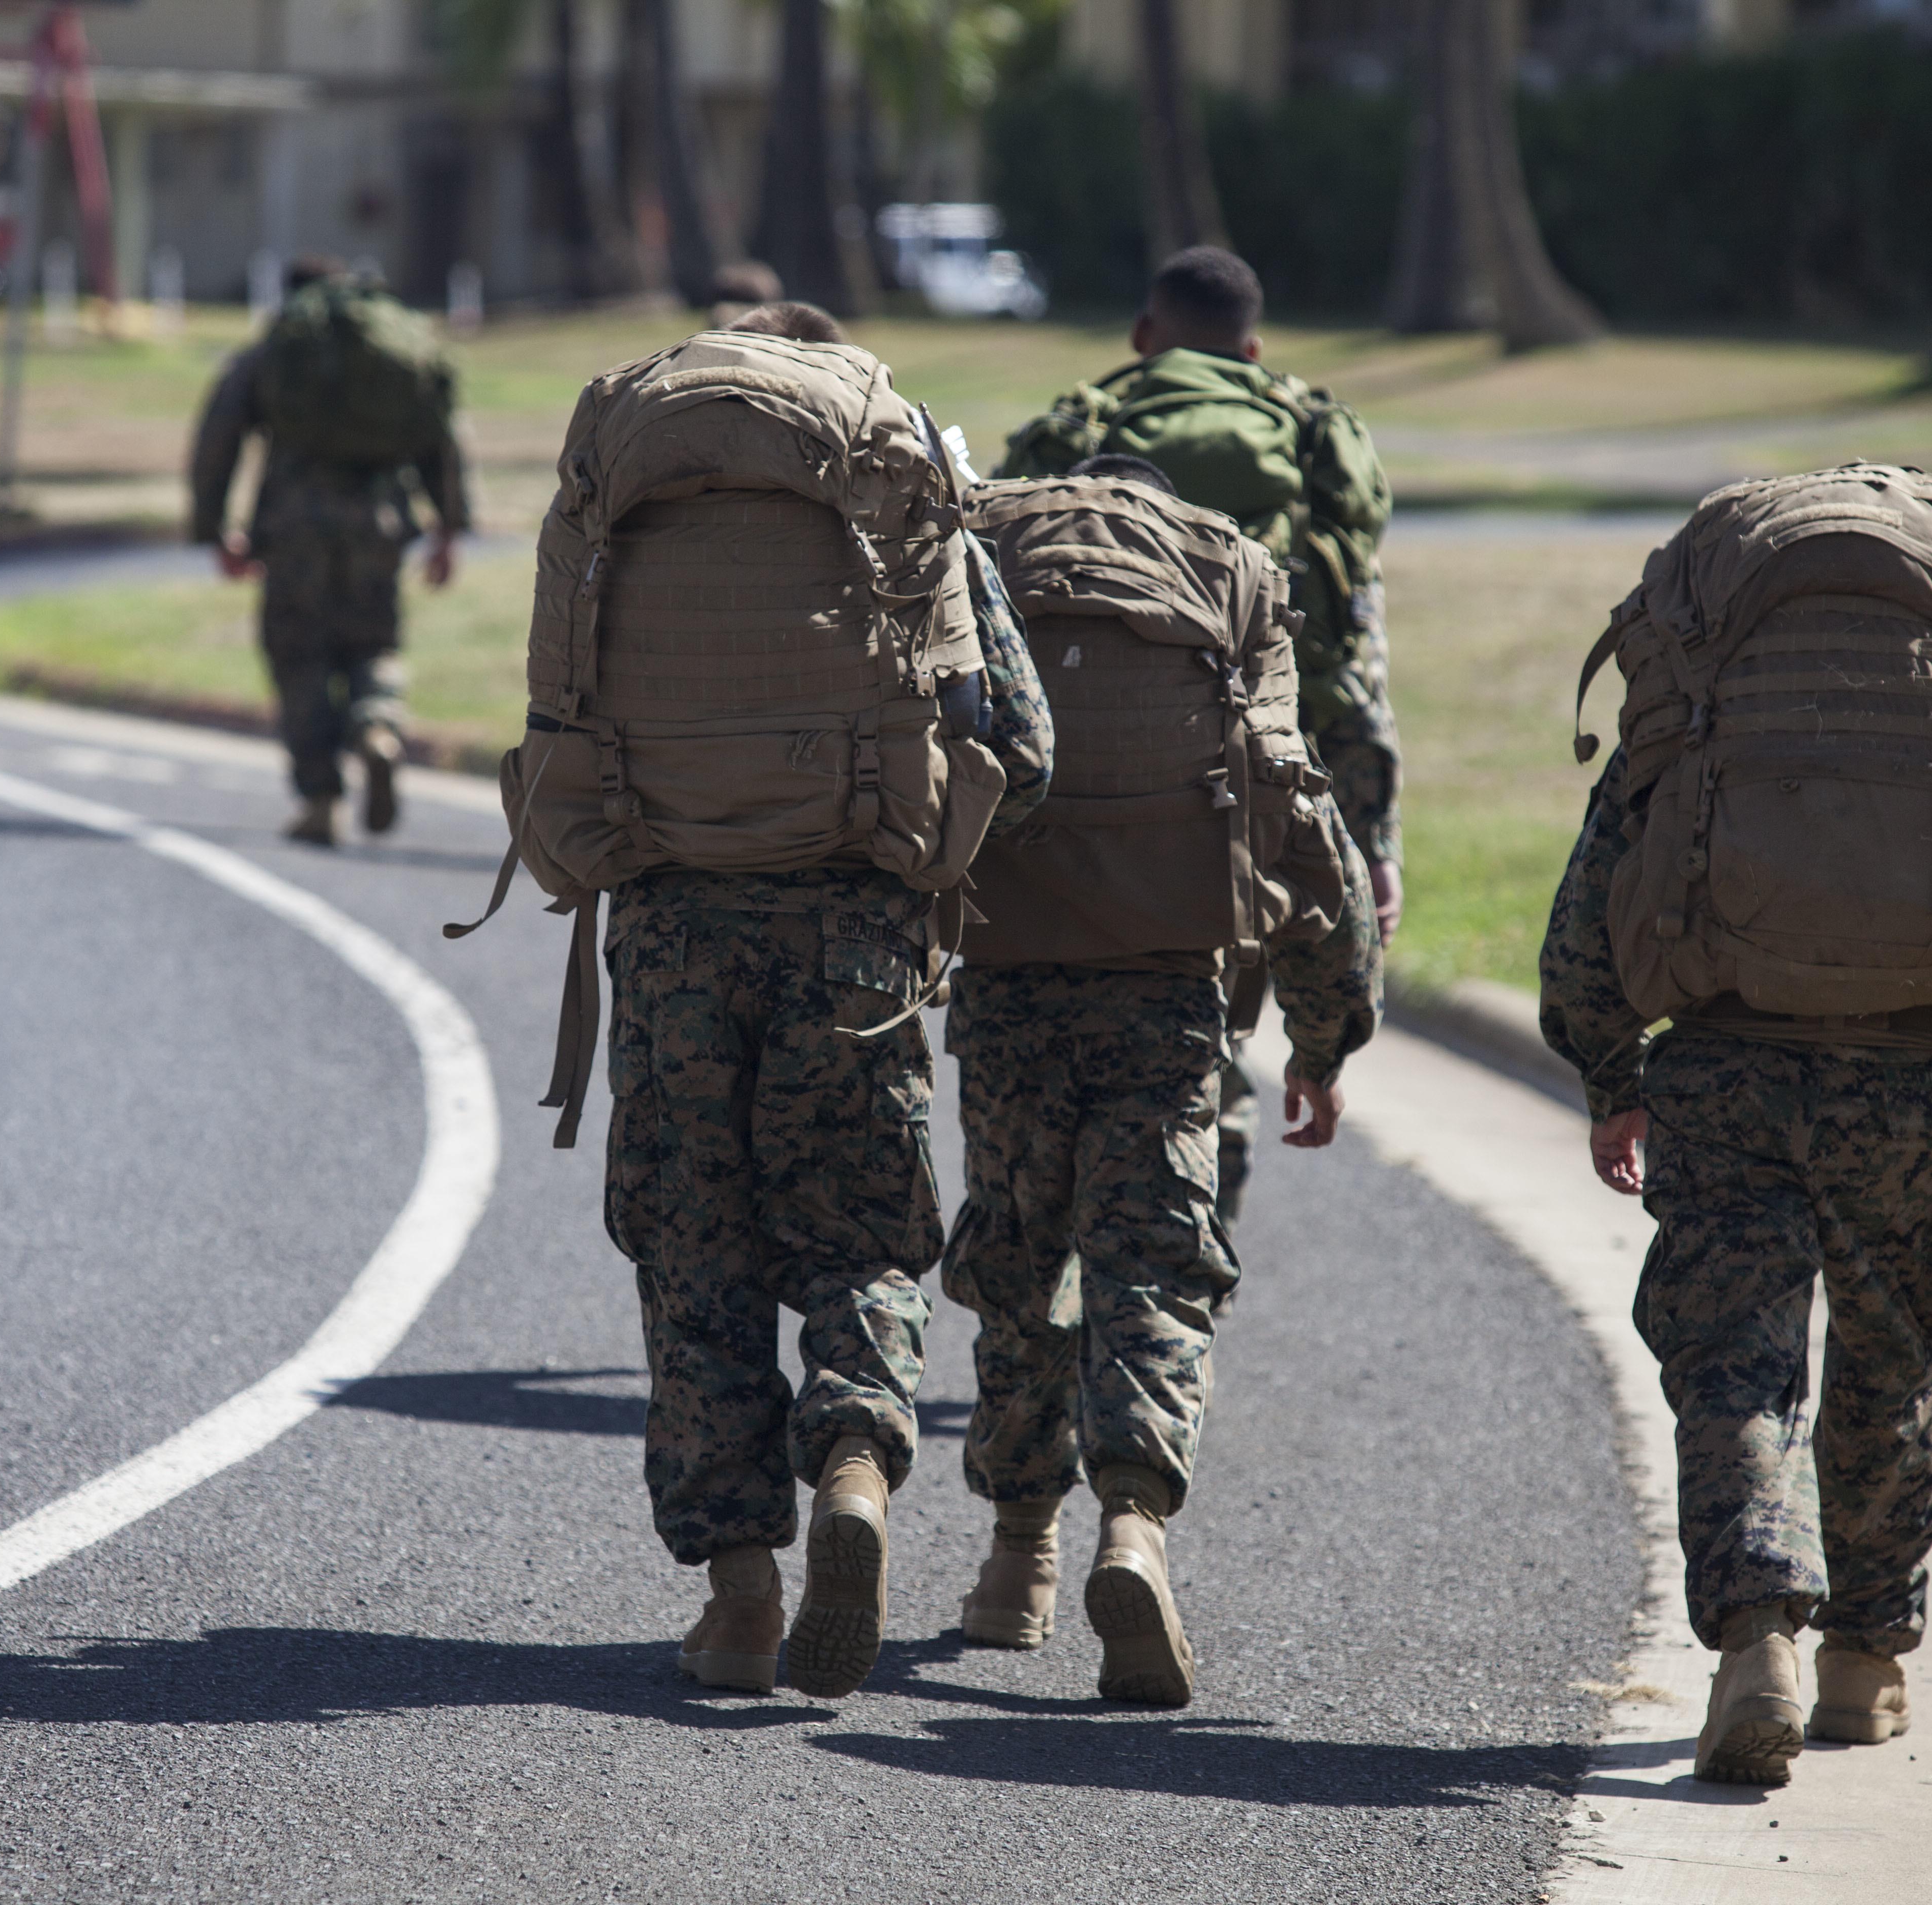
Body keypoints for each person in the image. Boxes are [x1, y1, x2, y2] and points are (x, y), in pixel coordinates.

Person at [468, 301, 1052, 1700]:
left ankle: (739, 1601)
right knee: (862, 1232)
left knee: (694, 1252)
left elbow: (560, 708)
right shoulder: (888, 465)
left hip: (667, 929)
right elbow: (1018, 747)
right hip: (852, 920)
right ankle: (855, 1458)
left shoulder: (631, 465)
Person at [1539, 466, 1932, 1785]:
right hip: (1913, 1080)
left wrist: (1611, 1074)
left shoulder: (1701, 685)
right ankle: (1866, 1664)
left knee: (1732, 1361)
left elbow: (1593, 909)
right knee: (1888, 1361)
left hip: (1726, 1068)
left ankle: (1757, 1638)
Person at [945, 453, 1382, 1706]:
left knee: (1017, 1257)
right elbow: (1297, 807)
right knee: (1153, 1260)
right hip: (1166, 993)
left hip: (1009, 981)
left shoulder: (986, 553)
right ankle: (1132, 1522)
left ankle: (1013, 1559)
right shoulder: (1230, 574)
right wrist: (1324, 1033)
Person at [998, 246, 1397, 1222]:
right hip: (1246, 798)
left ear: (1144, 335)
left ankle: (1044, 1314)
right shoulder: (1312, 435)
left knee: (1034, 1113)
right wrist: (1372, 845)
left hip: (1062, 823)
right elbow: (1354, 660)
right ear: (1254, 348)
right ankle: (1188, 1244)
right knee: (1200, 1035)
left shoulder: (1074, 428)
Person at [188, 256, 468, 846]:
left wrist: (213, 528)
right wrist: (449, 528)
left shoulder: (282, 346)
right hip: (380, 525)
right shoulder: (393, 342)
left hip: (293, 530)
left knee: (299, 658)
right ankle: (379, 725)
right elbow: (441, 433)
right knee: (376, 643)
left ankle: (321, 800)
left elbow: (220, 432)